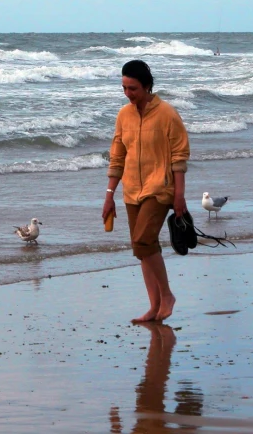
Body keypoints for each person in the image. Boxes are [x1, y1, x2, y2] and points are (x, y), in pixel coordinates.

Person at [102, 59, 190, 322]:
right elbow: (117, 158)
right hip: (131, 191)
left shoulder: (167, 114)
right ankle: (154, 307)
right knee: (143, 248)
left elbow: (179, 157)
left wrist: (179, 194)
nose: (128, 94)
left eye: (133, 88)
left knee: (142, 241)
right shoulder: (123, 115)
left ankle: (167, 295)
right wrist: (109, 195)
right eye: (124, 88)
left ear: (147, 86)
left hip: (159, 188)